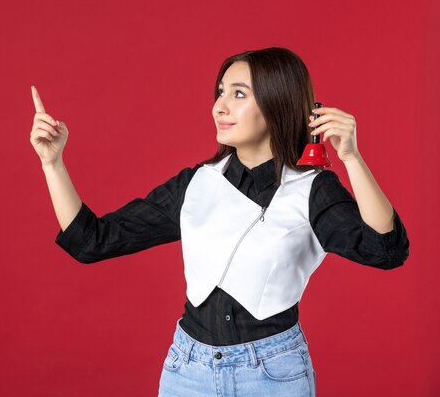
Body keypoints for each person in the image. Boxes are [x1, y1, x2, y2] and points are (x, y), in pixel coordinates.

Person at [29, 47, 409, 397]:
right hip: (187, 372)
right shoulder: (196, 183)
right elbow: (92, 241)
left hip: (273, 374)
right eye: (220, 92)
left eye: (238, 94)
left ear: (277, 103)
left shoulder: (312, 189)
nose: (219, 107)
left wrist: (352, 159)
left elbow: (385, 250)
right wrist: (53, 163)